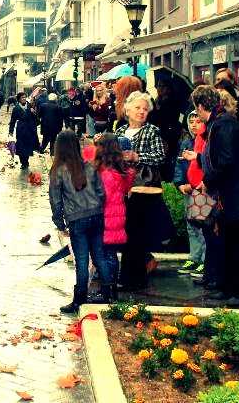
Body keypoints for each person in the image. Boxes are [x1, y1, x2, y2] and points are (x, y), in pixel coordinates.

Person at [193, 85, 239, 307]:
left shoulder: (223, 126)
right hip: (232, 195)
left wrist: (207, 180)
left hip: (237, 196)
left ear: (202, 106)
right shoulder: (222, 123)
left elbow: (225, 161)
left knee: (238, 244)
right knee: (230, 243)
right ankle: (229, 288)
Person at [49, 130, 113, 313]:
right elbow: (101, 193)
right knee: (99, 256)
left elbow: (55, 200)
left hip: (77, 220)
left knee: (82, 260)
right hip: (96, 217)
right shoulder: (90, 166)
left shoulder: (58, 171)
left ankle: (79, 300)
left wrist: (60, 223)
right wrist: (98, 210)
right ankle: (109, 295)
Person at [114, 91, 169, 291]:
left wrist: (138, 157)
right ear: (127, 109)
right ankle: (129, 275)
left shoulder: (151, 131)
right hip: (121, 189)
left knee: (136, 234)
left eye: (145, 109)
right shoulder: (119, 131)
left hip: (141, 190)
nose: (141, 112)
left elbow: (160, 156)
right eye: (137, 108)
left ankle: (132, 279)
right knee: (125, 233)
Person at [94, 133, 135, 296]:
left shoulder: (106, 173)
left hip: (107, 217)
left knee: (106, 254)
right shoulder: (121, 170)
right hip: (117, 215)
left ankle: (108, 289)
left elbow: (103, 197)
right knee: (110, 253)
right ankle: (111, 288)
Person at [174, 111, 210, 281]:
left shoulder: (205, 142)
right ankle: (194, 257)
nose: (195, 124)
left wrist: (196, 184)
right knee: (191, 225)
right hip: (187, 190)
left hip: (201, 189)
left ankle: (204, 259)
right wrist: (180, 183)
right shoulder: (186, 142)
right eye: (192, 121)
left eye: (198, 121)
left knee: (202, 225)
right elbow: (179, 164)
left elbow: (206, 167)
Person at [10, 92, 40, 169]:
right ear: (19, 99)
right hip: (21, 129)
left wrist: (34, 112)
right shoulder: (16, 108)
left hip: (29, 129)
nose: (24, 99)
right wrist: (10, 131)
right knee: (20, 147)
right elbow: (12, 120)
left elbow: (36, 118)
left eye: (25, 97)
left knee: (27, 147)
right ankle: (23, 162)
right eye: (22, 97)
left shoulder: (30, 106)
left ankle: (26, 161)